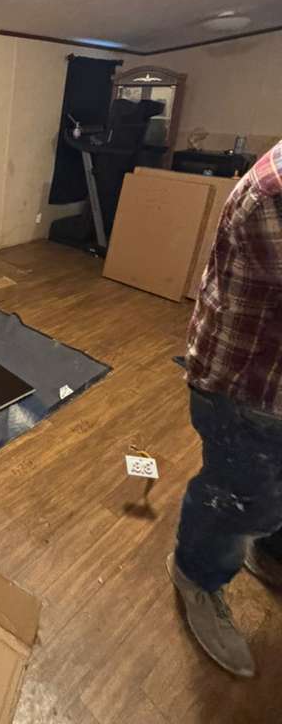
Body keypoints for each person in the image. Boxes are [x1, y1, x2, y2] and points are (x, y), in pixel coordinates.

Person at [169, 139, 282, 677]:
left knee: (268, 495)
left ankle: (269, 550)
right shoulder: (276, 192)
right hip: (247, 390)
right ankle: (196, 575)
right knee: (237, 498)